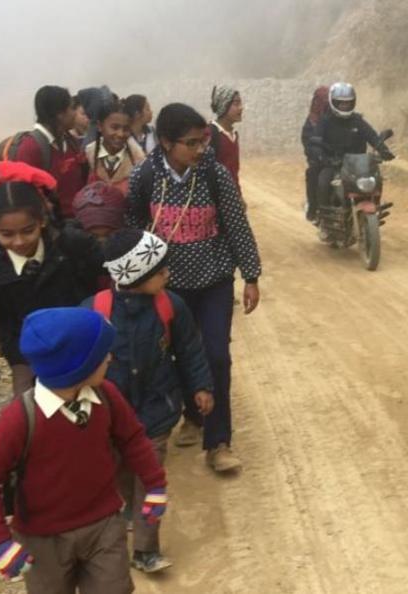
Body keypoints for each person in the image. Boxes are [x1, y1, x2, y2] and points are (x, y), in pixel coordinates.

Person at [0, 307, 168, 592]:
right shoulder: (19, 419)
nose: (110, 357)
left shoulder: (107, 396)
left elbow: (133, 439)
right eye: (102, 354)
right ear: (76, 367)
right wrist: (0, 543)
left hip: (104, 526)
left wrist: (155, 485)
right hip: (43, 540)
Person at [126, 103, 262, 473]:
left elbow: (236, 225)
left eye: (202, 141)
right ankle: (190, 414)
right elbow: (133, 228)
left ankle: (218, 442)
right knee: (170, 357)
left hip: (214, 282)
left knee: (216, 355)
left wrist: (250, 274)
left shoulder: (215, 175)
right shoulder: (145, 178)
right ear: (167, 143)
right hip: (165, 288)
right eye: (191, 143)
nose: (201, 149)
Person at [84, 229, 214, 573]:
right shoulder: (95, 311)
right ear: (137, 277)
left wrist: (201, 386)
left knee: (150, 479)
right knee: (118, 474)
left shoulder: (171, 306)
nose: (168, 275)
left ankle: (145, 549)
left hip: (156, 412)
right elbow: (78, 362)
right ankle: (127, 507)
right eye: (161, 271)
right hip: (109, 418)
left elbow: (189, 349)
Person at [0, 162, 103, 394]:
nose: (18, 242)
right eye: (7, 234)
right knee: (30, 407)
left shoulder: (73, 245)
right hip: (25, 351)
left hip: (76, 340)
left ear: (43, 220)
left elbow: (104, 279)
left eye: (28, 231)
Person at [307, 82, 395, 222]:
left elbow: (372, 136)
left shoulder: (357, 121)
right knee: (323, 181)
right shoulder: (325, 121)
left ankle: (374, 206)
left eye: (348, 104)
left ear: (353, 103)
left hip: (357, 165)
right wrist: (321, 155)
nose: (344, 106)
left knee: (375, 179)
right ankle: (323, 216)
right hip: (334, 164)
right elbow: (315, 140)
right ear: (333, 102)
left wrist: (382, 149)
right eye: (341, 104)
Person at [13, 86, 86, 219]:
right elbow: (24, 197)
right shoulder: (31, 148)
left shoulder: (70, 142)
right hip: (53, 226)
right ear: (59, 114)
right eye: (71, 108)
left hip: (77, 222)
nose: (75, 113)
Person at [86, 99, 146, 195]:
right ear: (100, 126)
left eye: (126, 129)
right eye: (114, 128)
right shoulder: (87, 157)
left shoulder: (139, 161)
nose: (120, 134)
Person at [302, 86, 330, 221]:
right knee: (313, 173)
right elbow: (307, 141)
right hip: (321, 160)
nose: (326, 102)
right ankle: (313, 208)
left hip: (342, 158)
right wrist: (317, 155)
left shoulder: (339, 117)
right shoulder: (312, 121)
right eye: (323, 99)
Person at [210, 85, 244, 194]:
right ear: (223, 106)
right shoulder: (210, 134)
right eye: (236, 103)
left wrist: (238, 195)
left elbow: (234, 172)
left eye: (240, 103)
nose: (241, 107)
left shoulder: (234, 135)